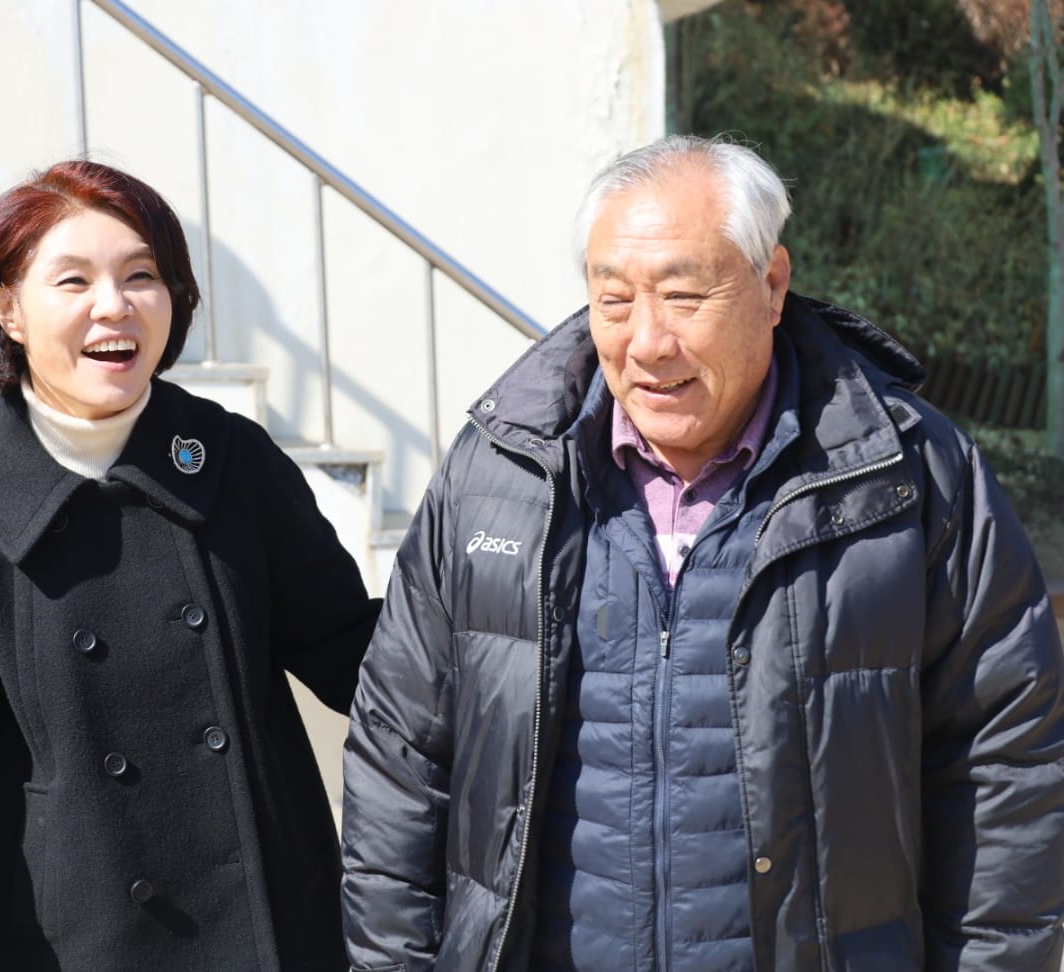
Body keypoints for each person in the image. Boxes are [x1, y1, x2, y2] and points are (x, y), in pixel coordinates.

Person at [340, 134, 1064, 971]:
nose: (648, 342)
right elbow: (400, 752)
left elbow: (1005, 765)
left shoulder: (907, 477)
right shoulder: (500, 475)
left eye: (684, 296)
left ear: (772, 285)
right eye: (614, 300)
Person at [0, 160, 380, 971]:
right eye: (73, 281)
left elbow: (354, 653)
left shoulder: (235, 462)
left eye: (141, 276)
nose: (114, 305)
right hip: (70, 936)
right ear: (8, 309)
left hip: (267, 925)